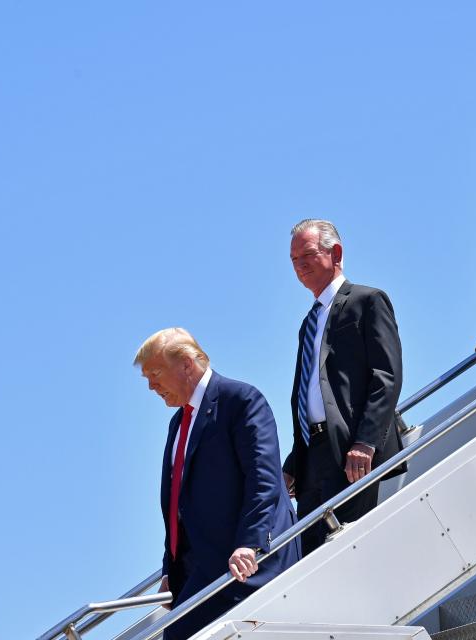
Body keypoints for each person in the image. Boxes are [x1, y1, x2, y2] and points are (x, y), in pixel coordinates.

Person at [135, 328, 300, 640]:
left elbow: (264, 479)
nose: (151, 386)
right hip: (203, 564)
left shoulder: (240, 400)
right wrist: (170, 568)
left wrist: (249, 544)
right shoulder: (179, 422)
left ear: (186, 364)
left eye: (155, 374)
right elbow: (179, 504)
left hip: (244, 560)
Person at [283, 219, 405, 555]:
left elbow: (387, 375)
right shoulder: (309, 322)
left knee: (349, 550)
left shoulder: (367, 301)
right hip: (312, 460)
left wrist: (365, 442)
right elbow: (315, 397)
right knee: (308, 553)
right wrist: (293, 466)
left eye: (306, 254)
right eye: (293, 260)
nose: (299, 265)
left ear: (335, 252)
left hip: (352, 452)